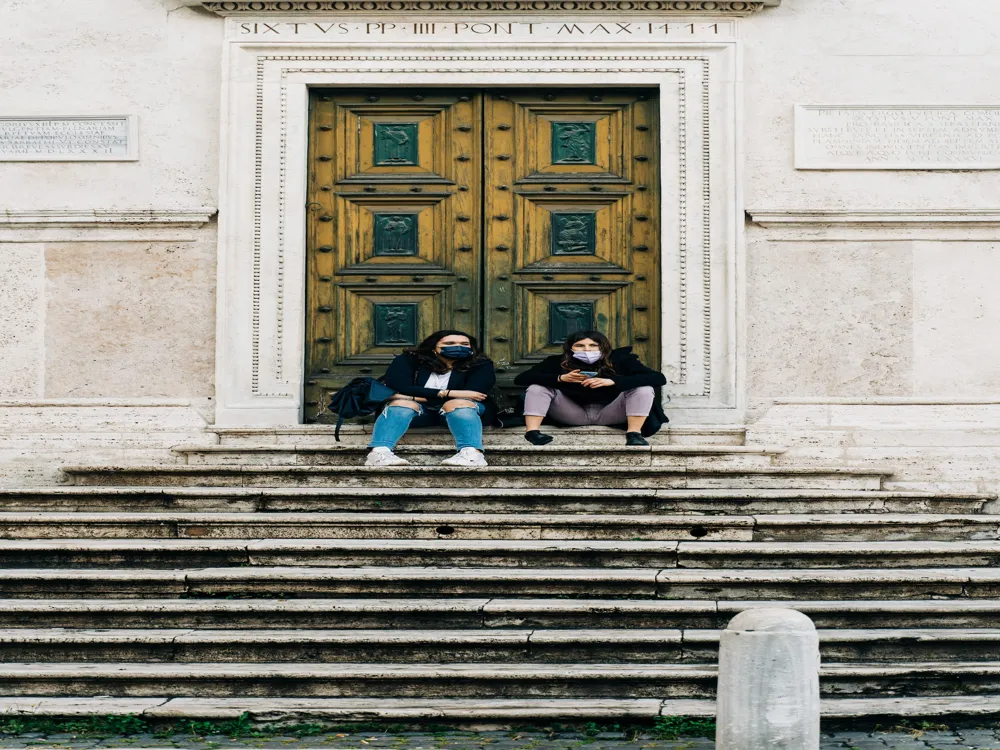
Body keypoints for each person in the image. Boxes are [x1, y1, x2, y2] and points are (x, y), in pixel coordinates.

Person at [365, 330, 497, 468]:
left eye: (464, 344)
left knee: (457, 403)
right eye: (450, 343)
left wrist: (418, 396)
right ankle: (379, 453)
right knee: (400, 404)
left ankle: (472, 454)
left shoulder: (480, 364)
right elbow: (399, 385)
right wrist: (446, 393)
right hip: (418, 413)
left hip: (459, 413)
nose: (458, 347)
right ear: (434, 346)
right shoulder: (410, 360)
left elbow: (475, 392)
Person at [514, 330, 667, 446]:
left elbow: (659, 378)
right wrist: (560, 378)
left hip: (611, 412)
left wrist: (613, 381)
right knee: (537, 387)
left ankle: (634, 434)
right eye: (579, 345)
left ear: (603, 347)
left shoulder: (621, 360)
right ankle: (533, 432)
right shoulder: (556, 362)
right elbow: (521, 378)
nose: (587, 350)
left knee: (644, 388)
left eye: (593, 345)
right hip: (572, 412)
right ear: (570, 348)